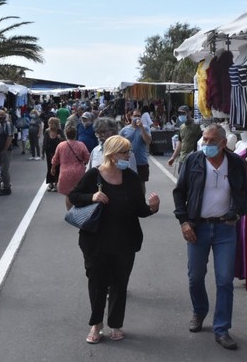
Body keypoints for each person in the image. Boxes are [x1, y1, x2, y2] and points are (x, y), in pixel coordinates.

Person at [68, 135, 160, 344]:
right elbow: (74, 196)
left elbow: (140, 209)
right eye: (123, 152)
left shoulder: (131, 178)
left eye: (128, 152)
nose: (127, 156)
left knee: (120, 283)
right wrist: (91, 197)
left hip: (125, 241)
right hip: (95, 242)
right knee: (97, 283)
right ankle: (96, 324)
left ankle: (116, 324)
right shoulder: (94, 175)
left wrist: (152, 208)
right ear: (110, 154)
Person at [173, 124, 247, 350]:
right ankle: (199, 311)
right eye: (204, 139)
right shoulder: (193, 161)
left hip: (225, 229)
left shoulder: (236, 163)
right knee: (195, 276)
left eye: (210, 140)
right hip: (198, 227)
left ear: (222, 143)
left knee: (225, 280)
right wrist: (184, 221)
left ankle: (222, 328)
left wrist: (237, 212)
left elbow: (246, 193)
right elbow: (179, 192)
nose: (205, 144)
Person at [52, 125, 90, 210]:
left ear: (66, 134)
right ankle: (79, 211)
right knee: (79, 192)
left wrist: (53, 168)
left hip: (65, 172)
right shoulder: (81, 145)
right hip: (79, 172)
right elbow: (87, 157)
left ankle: (69, 212)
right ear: (75, 134)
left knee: (68, 194)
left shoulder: (61, 145)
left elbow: (55, 159)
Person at [119, 108, 151, 193]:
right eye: (135, 116)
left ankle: (141, 204)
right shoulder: (124, 130)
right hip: (127, 162)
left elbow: (148, 141)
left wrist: (141, 128)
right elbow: (119, 145)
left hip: (141, 162)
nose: (137, 118)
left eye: (139, 116)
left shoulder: (145, 128)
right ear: (130, 116)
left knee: (141, 185)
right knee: (127, 184)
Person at [168, 106, 201, 173]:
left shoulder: (196, 125)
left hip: (193, 159)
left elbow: (201, 142)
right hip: (182, 159)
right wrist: (173, 157)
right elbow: (179, 143)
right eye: (179, 114)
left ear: (189, 113)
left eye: (183, 113)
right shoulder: (182, 127)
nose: (181, 115)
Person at [0, 109, 15, 196]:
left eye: (1, 116)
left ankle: (7, 188)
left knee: (4, 170)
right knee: (1, 170)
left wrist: (4, 149)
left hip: (5, 151)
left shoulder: (7, 124)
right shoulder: (0, 125)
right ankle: (5, 185)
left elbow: (9, 137)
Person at [42, 117, 64, 191]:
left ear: (56, 124)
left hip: (57, 152)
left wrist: (60, 138)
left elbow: (64, 141)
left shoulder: (59, 131)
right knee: (49, 167)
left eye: (52, 123)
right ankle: (50, 183)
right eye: (49, 123)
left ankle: (56, 183)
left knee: (57, 168)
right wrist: (42, 152)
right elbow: (44, 142)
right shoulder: (47, 131)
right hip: (49, 152)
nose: (50, 125)